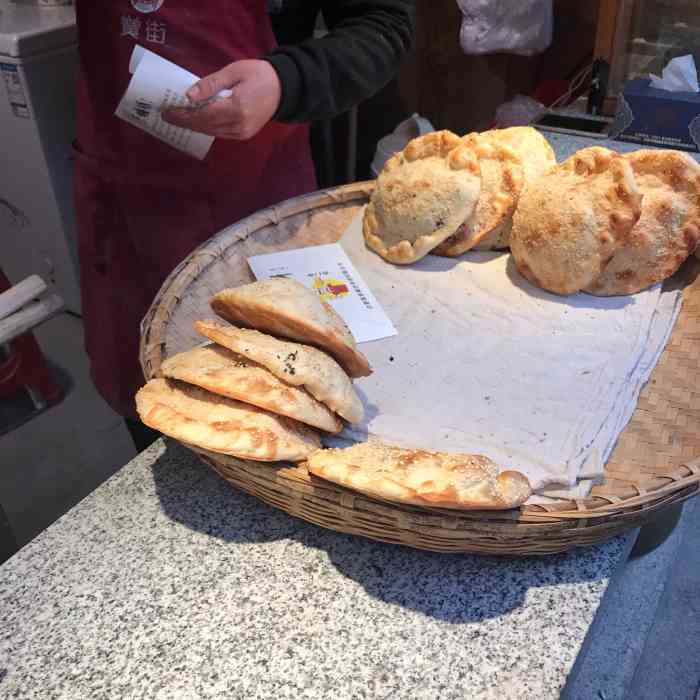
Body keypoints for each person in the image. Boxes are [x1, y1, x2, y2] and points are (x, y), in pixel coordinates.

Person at [73, 1, 414, 451]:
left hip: (252, 190)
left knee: (275, 410)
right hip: (125, 191)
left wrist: (286, 80)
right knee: (153, 406)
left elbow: (384, 25)